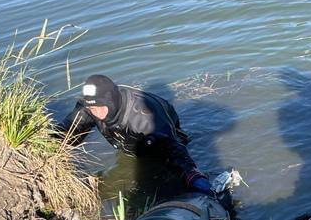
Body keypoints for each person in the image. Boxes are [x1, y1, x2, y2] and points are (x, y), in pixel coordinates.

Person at [59, 74, 213, 194]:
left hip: (157, 134)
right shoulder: (90, 108)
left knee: (164, 175)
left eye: (100, 107)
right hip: (126, 143)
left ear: (111, 101)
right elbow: (67, 132)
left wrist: (192, 174)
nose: (96, 113)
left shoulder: (145, 117)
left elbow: (173, 148)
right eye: (92, 109)